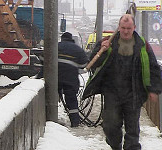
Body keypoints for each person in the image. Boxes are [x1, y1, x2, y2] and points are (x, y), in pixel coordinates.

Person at [82, 14, 162, 150]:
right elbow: (93, 63)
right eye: (123, 28)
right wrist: (102, 50)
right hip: (112, 92)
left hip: (134, 92)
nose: (125, 31)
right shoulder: (107, 43)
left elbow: (153, 67)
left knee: (132, 130)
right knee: (110, 125)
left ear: (134, 28)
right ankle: (115, 145)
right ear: (119, 27)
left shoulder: (142, 45)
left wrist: (154, 89)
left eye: (129, 28)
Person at [37, 32, 88, 127]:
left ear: (62, 39)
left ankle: (49, 119)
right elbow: (84, 65)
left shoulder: (55, 46)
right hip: (70, 79)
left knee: (49, 98)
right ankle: (75, 122)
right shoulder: (77, 49)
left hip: (54, 77)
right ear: (71, 39)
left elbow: (42, 58)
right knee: (71, 100)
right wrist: (73, 65)